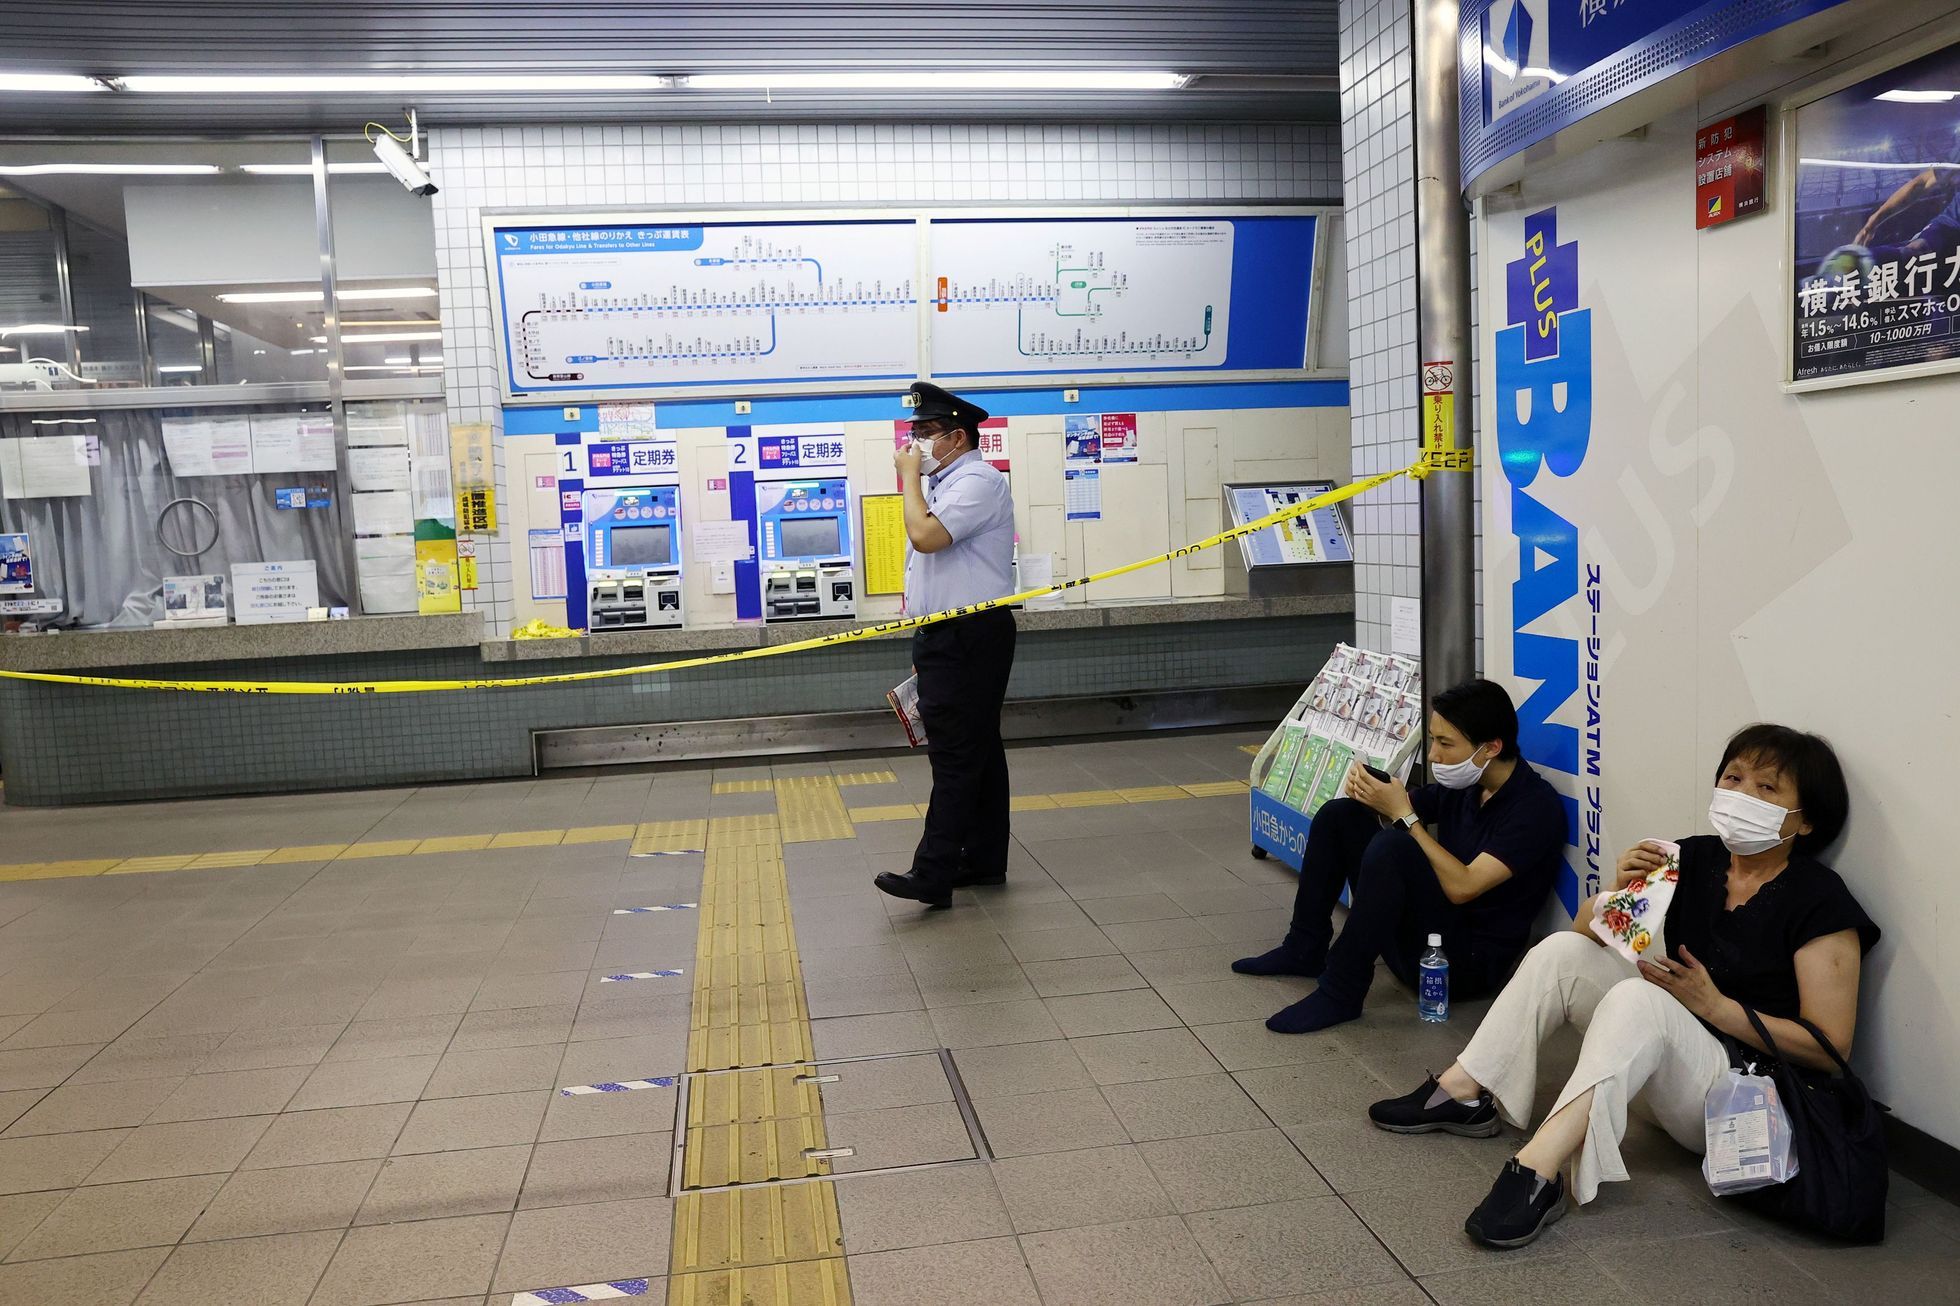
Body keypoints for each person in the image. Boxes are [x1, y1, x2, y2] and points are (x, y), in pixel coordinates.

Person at [1367, 724, 1879, 1250]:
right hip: (1667, 1071)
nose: (1740, 795)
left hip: (1749, 1105)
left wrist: (1715, 1006)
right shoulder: (1693, 858)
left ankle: (1537, 1171)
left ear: (1807, 820)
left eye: (1766, 789)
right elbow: (1587, 935)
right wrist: (1614, 887)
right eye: (1733, 778)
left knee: (1642, 999)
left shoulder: (1821, 901)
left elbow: (1830, 1047)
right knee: (1561, 954)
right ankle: (1462, 1091)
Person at [1235, 678, 1567, 1033]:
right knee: (1341, 815)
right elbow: (1401, 805)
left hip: (1462, 966)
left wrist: (1405, 819)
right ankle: (1304, 948)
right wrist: (1372, 790)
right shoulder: (1470, 786)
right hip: (1423, 939)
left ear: (1490, 748)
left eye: (1445, 743)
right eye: (1434, 740)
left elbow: (1464, 886)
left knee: (1394, 846)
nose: (1433, 755)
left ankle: (1342, 991)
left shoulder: (1534, 809)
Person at [873, 381, 1017, 911]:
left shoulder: (977, 480)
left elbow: (926, 538)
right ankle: (983, 859)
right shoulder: (950, 481)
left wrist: (908, 478)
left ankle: (932, 873)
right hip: (950, 636)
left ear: (958, 436)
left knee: (956, 756)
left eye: (927, 433)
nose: (916, 444)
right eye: (913, 433)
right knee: (979, 749)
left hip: (969, 636)